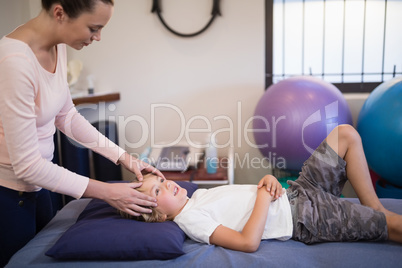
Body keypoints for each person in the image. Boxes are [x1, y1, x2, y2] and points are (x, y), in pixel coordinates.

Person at [0, 0, 164, 265]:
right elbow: (27, 166)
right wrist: (109, 192)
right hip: (9, 194)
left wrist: (125, 158)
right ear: (59, 13)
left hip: (42, 185)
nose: (97, 37)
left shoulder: (57, 46)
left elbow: (67, 116)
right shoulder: (14, 61)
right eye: (93, 28)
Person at [120, 124, 402, 252]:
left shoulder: (196, 197)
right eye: (158, 192)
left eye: (159, 180)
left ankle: (374, 206)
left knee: (345, 134)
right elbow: (247, 243)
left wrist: (267, 185)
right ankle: (379, 216)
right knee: (392, 226)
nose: (166, 183)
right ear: (160, 217)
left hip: (298, 190)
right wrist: (263, 196)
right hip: (304, 217)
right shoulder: (190, 220)